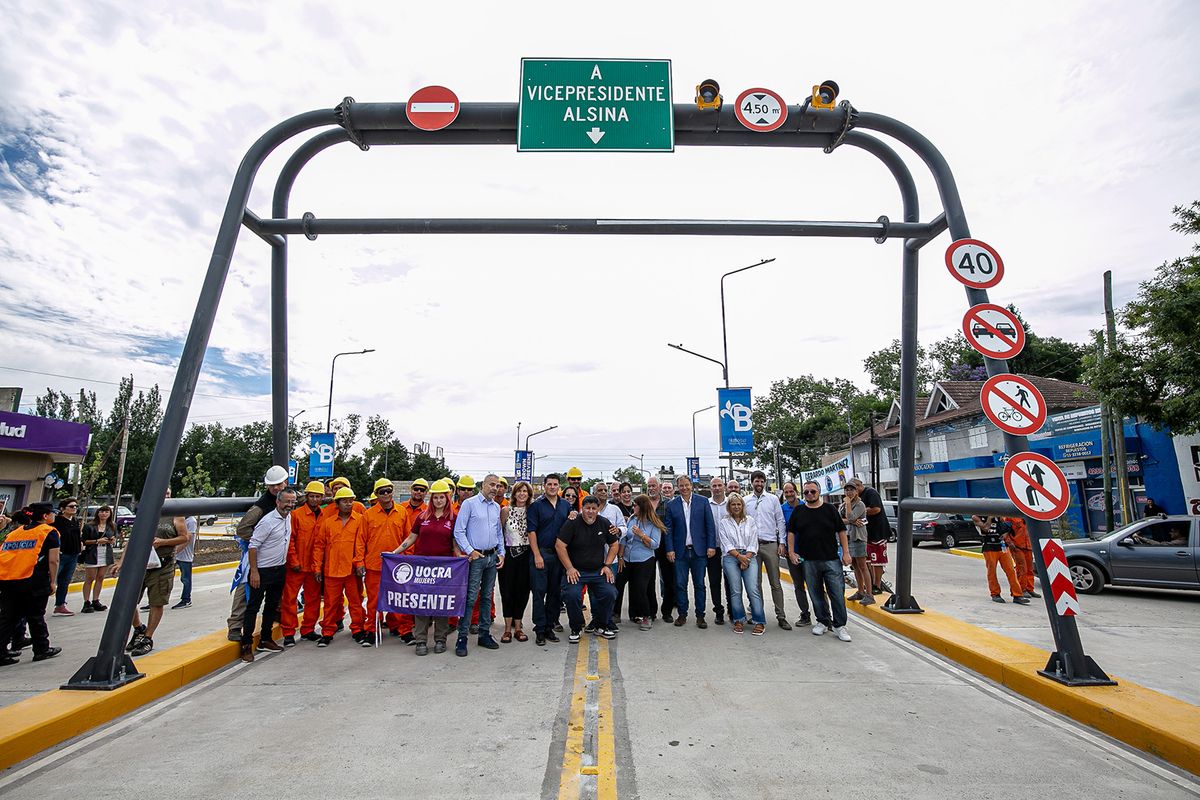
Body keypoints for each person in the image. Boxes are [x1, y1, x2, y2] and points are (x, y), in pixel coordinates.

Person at [117, 490, 189, 657]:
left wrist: (163, 542)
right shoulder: (145, 513)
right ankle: (139, 628)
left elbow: (184, 537)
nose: (166, 496)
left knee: (157, 601)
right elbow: (133, 539)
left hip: (162, 564)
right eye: (163, 492)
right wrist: (121, 562)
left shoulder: (176, 515)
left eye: (169, 493)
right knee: (129, 600)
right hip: (140, 564)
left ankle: (148, 637)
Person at [228, 465, 290, 642]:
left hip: (277, 558)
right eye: (272, 486)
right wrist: (262, 540)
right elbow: (242, 530)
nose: (276, 488)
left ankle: (276, 616)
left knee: (275, 593)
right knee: (245, 587)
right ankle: (235, 626)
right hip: (257, 554)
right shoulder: (261, 507)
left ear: (286, 482)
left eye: (279, 484)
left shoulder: (289, 500)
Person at [396, 479, 458, 655]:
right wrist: (394, 552)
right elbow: (411, 539)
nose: (439, 501)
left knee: (441, 604)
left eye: (442, 497)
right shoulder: (422, 517)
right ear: (431, 499)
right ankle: (421, 640)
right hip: (422, 568)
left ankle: (440, 639)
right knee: (421, 604)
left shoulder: (453, 519)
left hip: (443, 569)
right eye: (435, 497)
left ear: (447, 498)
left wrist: (461, 559)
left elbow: (455, 545)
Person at [787, 480, 853, 642]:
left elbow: (842, 532)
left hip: (831, 559)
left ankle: (839, 626)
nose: (810, 494)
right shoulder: (799, 511)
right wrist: (791, 552)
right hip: (808, 561)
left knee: (837, 593)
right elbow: (791, 532)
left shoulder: (830, 509)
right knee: (815, 593)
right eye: (807, 492)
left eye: (813, 491)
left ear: (819, 492)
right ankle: (822, 621)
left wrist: (846, 553)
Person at [0, 503, 62, 665]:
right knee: (35, 615)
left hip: (8, 580)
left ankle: (1, 651)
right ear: (45, 516)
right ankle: (41, 649)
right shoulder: (49, 532)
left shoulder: (15, 533)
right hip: (33, 579)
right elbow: (53, 560)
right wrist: (53, 581)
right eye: (52, 513)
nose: (54, 516)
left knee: (8, 617)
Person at [452, 474, 505, 657]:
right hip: (476, 557)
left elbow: (498, 532)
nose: (495, 488)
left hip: (491, 557)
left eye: (497, 485)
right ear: (483, 485)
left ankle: (484, 634)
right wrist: (469, 551)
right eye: (491, 484)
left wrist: (501, 553)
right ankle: (462, 637)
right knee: (470, 597)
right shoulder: (470, 504)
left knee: (487, 597)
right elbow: (459, 531)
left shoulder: (496, 507)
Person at [240, 489, 296, 662]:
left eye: (293, 502)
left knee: (271, 607)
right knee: (253, 608)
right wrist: (254, 572)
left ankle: (265, 639)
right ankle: (246, 645)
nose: (290, 505)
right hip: (262, 571)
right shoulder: (267, 522)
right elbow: (253, 546)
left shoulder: (289, 518)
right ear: (278, 502)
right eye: (287, 501)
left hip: (279, 569)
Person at [555, 496, 619, 642]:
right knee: (572, 595)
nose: (590, 512)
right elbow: (560, 545)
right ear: (582, 509)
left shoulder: (604, 523)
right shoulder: (572, 523)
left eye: (594, 508)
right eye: (587, 508)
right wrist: (569, 568)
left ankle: (601, 625)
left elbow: (614, 544)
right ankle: (576, 628)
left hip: (597, 570)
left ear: (598, 510)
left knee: (610, 593)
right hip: (576, 571)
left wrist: (607, 565)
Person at [313, 487, 368, 647]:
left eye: (351, 500)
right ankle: (327, 632)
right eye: (345, 501)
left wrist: (359, 563)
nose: (348, 504)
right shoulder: (328, 523)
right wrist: (317, 568)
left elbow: (361, 544)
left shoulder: (360, 520)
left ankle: (357, 629)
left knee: (356, 602)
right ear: (337, 503)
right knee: (330, 604)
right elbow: (319, 546)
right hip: (332, 571)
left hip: (352, 571)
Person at [664, 475, 717, 628]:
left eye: (687, 485)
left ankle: (700, 616)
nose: (684, 488)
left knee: (699, 584)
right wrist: (670, 549)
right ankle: (682, 614)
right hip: (680, 552)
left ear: (691, 486)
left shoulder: (703, 501)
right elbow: (668, 529)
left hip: (699, 551)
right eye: (681, 485)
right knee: (680, 584)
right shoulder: (672, 505)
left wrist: (711, 546)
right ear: (677, 487)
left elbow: (710, 525)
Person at [527, 473, 573, 646]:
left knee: (555, 593)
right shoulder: (536, 506)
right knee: (539, 592)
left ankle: (549, 626)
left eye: (555, 484)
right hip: (542, 554)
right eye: (549, 484)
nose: (552, 487)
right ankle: (539, 629)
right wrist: (537, 555)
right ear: (544, 486)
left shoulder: (565, 506)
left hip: (559, 555)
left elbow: (570, 527)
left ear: (559, 487)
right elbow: (531, 532)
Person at [746, 471, 791, 630]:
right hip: (752, 547)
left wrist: (782, 543)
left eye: (761, 481)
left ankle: (781, 616)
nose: (759, 484)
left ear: (764, 482)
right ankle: (758, 615)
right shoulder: (746, 501)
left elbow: (780, 522)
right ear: (751, 482)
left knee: (775, 582)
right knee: (754, 583)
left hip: (770, 544)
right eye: (756, 481)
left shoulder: (772, 500)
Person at [281, 481, 325, 646]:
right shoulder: (296, 515)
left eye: (318, 496)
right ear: (306, 497)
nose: (314, 499)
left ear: (322, 497)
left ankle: (308, 630)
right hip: (297, 566)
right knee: (289, 599)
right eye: (312, 496)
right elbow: (289, 540)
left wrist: (319, 566)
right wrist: (293, 561)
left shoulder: (324, 516)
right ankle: (289, 632)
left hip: (314, 567)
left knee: (313, 599)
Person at [719, 493, 766, 635]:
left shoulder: (750, 521)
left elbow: (753, 541)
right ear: (729, 507)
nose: (736, 507)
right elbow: (725, 543)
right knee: (735, 590)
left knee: (753, 589)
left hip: (749, 555)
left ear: (743, 506)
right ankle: (738, 619)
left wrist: (747, 558)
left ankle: (759, 621)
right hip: (730, 557)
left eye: (739, 504)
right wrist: (739, 557)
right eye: (733, 504)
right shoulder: (724, 522)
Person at [621, 494, 663, 631]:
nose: (633, 508)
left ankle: (647, 615)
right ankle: (631, 614)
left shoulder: (653, 523)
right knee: (619, 583)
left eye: (635, 505)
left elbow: (655, 544)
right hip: (628, 558)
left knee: (641, 588)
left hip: (644, 559)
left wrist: (641, 535)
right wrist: (621, 557)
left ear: (642, 507)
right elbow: (624, 538)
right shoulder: (632, 519)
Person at [498, 481, 533, 643]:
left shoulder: (532, 511)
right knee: (507, 592)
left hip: (526, 556)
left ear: (529, 494)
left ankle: (518, 628)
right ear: (514, 493)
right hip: (509, 556)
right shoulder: (505, 511)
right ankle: (507, 629)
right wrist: (501, 554)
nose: (522, 494)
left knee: (522, 591)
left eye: (525, 491)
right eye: (519, 491)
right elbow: (500, 534)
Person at [972, 514, 1028, 605]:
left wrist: (1005, 534)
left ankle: (1017, 594)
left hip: (1002, 546)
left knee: (1010, 570)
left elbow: (1006, 527)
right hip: (989, 546)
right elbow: (985, 528)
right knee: (992, 571)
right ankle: (995, 594)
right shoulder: (976, 517)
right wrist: (990, 518)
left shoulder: (998, 516)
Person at [849, 478, 893, 595]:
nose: (851, 492)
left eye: (853, 489)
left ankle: (877, 585)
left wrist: (860, 511)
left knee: (877, 559)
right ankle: (869, 584)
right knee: (866, 560)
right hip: (864, 534)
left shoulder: (870, 493)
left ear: (858, 486)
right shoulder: (854, 500)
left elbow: (876, 509)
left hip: (878, 531)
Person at [779, 482, 811, 627]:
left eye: (791, 491)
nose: (789, 494)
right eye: (786, 492)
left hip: (809, 553)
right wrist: (784, 547)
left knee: (815, 585)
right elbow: (781, 530)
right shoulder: (782, 509)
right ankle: (805, 614)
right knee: (798, 585)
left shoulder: (807, 506)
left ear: (796, 492)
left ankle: (825, 616)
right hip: (792, 554)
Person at [705, 477, 735, 626]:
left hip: (730, 550)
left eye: (719, 485)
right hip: (713, 550)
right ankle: (718, 611)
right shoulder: (706, 504)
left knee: (731, 581)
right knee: (714, 581)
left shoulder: (731, 503)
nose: (717, 488)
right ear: (711, 488)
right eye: (714, 486)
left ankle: (732, 610)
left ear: (724, 487)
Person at [644, 476, 673, 623]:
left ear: (659, 486)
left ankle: (667, 611)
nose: (651, 488)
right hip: (648, 546)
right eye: (649, 486)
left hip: (665, 546)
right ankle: (651, 611)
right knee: (649, 579)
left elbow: (671, 526)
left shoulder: (669, 503)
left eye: (654, 485)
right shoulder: (644, 504)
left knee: (668, 579)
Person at [80, 505, 117, 613]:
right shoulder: (89, 526)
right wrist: (97, 541)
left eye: (106, 512)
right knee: (90, 578)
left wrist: (111, 541)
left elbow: (114, 537)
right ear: (98, 513)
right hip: (92, 553)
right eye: (102, 512)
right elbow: (84, 540)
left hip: (105, 552)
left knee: (100, 577)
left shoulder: (112, 526)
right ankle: (86, 602)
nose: (104, 514)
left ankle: (96, 600)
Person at [842, 483, 872, 606]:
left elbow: (850, 517)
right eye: (847, 490)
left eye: (851, 490)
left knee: (862, 566)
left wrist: (848, 505)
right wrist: (852, 521)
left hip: (858, 538)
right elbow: (840, 519)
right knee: (855, 566)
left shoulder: (860, 504)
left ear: (856, 491)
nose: (849, 492)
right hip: (849, 537)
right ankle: (860, 591)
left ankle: (869, 594)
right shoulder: (843, 505)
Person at [51, 497, 81, 616]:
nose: (74, 508)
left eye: (75, 507)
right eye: (71, 506)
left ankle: (60, 605)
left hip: (73, 554)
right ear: (63, 509)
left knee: (65, 581)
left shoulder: (75, 520)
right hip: (61, 554)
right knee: (51, 580)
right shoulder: (57, 521)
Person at [1002, 516, 1040, 599]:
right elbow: (1005, 531)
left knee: (1030, 569)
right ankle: (1022, 589)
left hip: (1028, 546)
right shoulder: (1010, 517)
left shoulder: (1028, 516)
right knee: (1022, 568)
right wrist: (1009, 542)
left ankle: (1030, 588)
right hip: (1017, 546)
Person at [171, 515, 197, 610]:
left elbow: (187, 539)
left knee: (185, 579)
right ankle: (156, 602)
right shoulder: (177, 518)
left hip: (185, 556)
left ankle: (186, 599)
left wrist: (174, 552)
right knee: (165, 578)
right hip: (175, 554)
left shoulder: (191, 521)